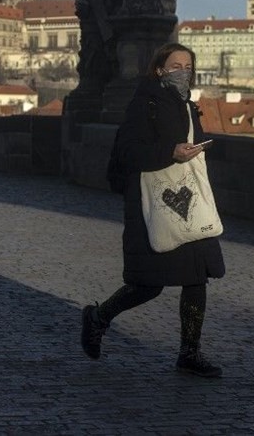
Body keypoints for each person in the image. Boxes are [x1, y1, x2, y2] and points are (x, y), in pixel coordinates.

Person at [81, 43, 225, 377]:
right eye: (176, 66)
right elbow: (128, 154)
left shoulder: (188, 105)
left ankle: (190, 351)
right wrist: (170, 152)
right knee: (148, 283)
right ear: (158, 69)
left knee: (196, 277)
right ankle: (97, 318)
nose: (183, 71)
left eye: (188, 66)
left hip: (188, 202)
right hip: (151, 203)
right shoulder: (143, 104)